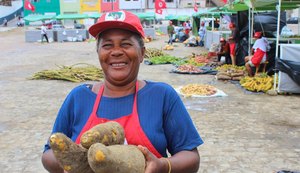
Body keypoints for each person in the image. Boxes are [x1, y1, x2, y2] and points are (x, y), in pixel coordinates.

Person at [41, 10, 203, 173]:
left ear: (142, 53)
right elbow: (48, 153)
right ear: (99, 53)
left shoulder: (161, 96)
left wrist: (163, 165)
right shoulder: (78, 98)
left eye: (126, 44)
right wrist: (74, 165)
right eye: (107, 45)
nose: (116, 51)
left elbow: (191, 157)